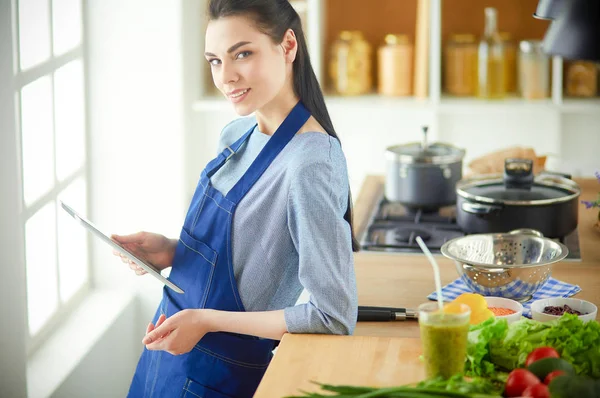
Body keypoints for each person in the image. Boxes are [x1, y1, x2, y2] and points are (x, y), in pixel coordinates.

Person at [112, 0, 359, 397]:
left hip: (218, 378)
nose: (226, 77)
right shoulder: (236, 134)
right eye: (214, 60)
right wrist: (173, 251)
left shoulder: (310, 164)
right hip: (165, 356)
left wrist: (206, 321)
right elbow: (247, 257)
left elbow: (333, 315)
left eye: (242, 54)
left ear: (288, 46)